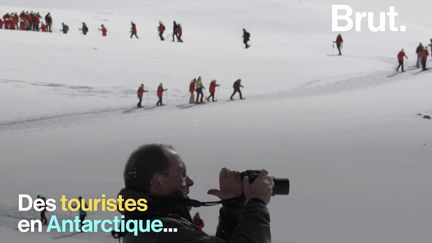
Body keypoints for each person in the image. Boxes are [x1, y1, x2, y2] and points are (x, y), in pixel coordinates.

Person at [118, 144, 273, 243]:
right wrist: (256, 205)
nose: (189, 182)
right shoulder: (160, 232)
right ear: (158, 181)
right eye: (182, 174)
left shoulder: (149, 225)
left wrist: (233, 208)